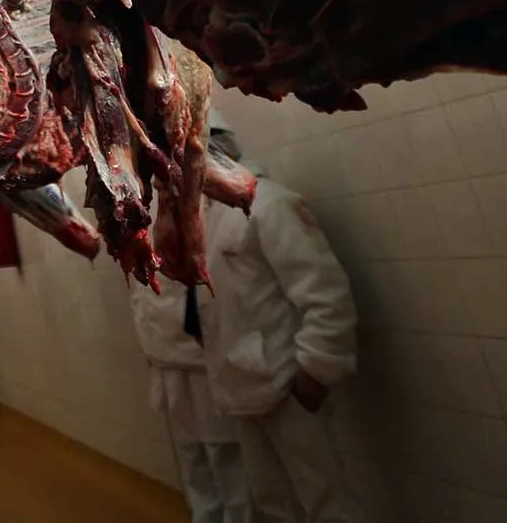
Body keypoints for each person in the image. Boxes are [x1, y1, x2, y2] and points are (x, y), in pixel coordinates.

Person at [202, 121, 362, 523]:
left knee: (327, 505)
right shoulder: (208, 217)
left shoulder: (270, 204)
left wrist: (314, 373)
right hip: (241, 387)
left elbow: (326, 295)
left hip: (287, 385)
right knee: (272, 504)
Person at [129, 273, 249, 523]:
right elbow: (139, 291)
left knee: (225, 456)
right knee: (191, 456)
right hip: (164, 358)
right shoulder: (135, 235)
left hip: (204, 361)